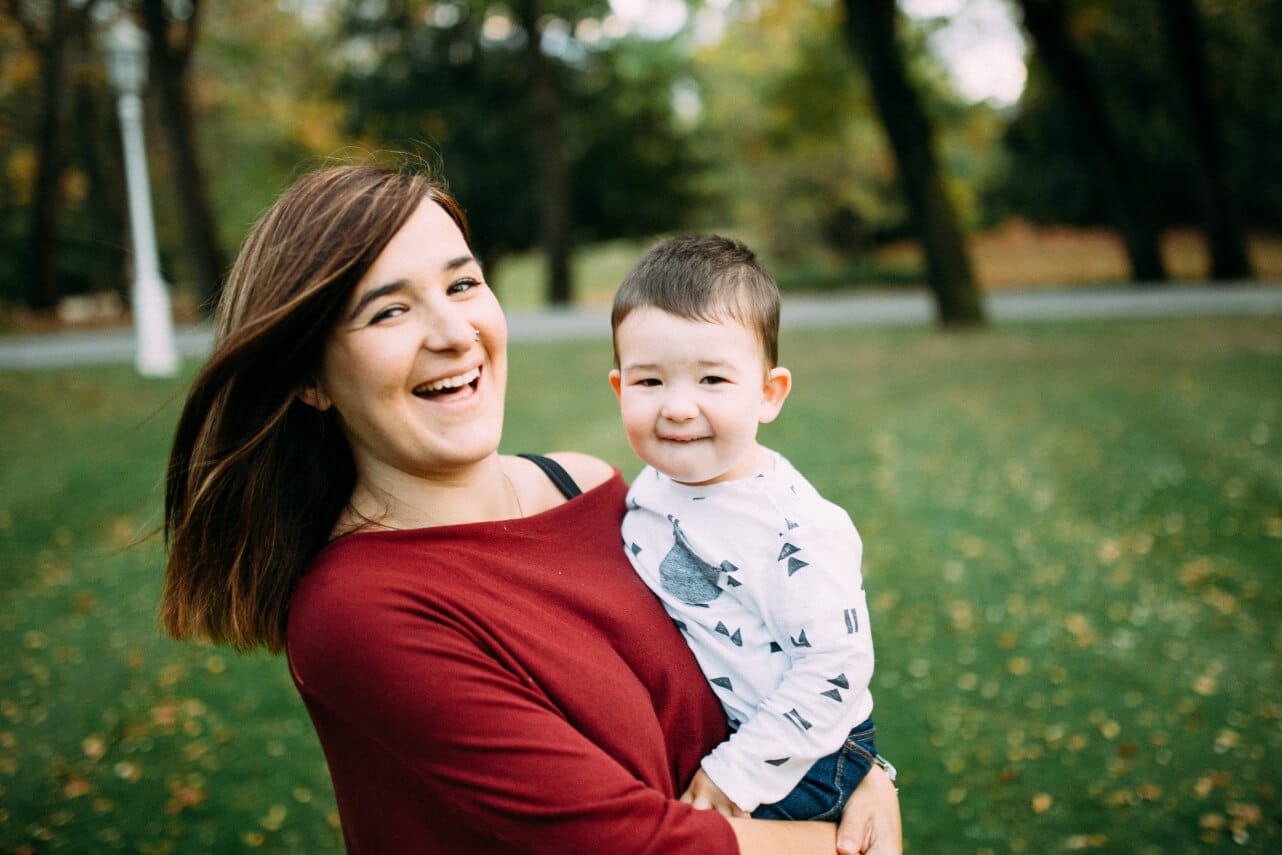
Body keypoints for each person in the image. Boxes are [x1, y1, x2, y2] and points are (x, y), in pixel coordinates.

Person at [160, 160, 901, 854]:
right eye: (388, 312)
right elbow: (631, 844)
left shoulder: (598, 491)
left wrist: (859, 767)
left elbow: (740, 662)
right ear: (309, 378)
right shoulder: (357, 611)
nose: (455, 333)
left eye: (462, 285)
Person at [608, 235, 883, 823]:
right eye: (650, 382)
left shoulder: (794, 529)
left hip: (803, 752)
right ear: (619, 389)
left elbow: (835, 669)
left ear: (768, 394)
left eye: (712, 380)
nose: (678, 408)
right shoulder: (654, 486)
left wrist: (736, 773)